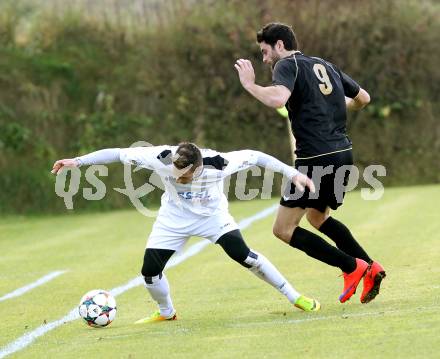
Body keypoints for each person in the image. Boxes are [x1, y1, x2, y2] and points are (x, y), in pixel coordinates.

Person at [51, 142, 320, 323]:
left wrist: (291, 173)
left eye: (184, 175)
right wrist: (78, 161)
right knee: (149, 272)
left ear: (197, 167)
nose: (177, 177)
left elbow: (257, 156)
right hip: (173, 219)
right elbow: (118, 153)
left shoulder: (220, 162)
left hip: (213, 217)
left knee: (243, 255)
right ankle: (166, 313)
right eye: (175, 172)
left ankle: (295, 297)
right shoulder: (160, 157)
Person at [234, 22, 385, 304]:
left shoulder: (286, 65)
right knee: (318, 217)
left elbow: (278, 98)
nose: (265, 59)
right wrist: (337, 108)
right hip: (343, 153)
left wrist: (250, 85)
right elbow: (363, 98)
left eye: (266, 52)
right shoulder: (324, 65)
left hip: (315, 158)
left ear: (280, 45)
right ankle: (370, 266)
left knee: (283, 229)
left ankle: (352, 267)